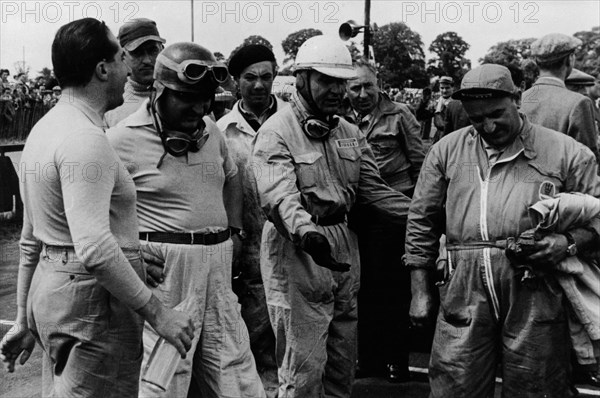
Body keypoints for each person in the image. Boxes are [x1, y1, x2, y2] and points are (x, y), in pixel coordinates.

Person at [0, 18, 194, 397]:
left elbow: (30, 239)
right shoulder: (86, 139)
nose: (128, 70)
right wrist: (158, 313)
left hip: (53, 290)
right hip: (90, 304)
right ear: (103, 69)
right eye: (122, 58)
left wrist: (24, 317)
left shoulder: (45, 130)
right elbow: (94, 248)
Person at [405, 64, 600, 398]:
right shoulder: (446, 151)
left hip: (537, 289)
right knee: (455, 385)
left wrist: (566, 243)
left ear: (518, 97)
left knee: (537, 386)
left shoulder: (567, 153)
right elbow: (422, 221)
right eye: (477, 119)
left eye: (497, 114)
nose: (489, 126)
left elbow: (596, 219)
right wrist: (419, 290)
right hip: (462, 289)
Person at [252, 35, 411, 398]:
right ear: (302, 79)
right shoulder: (276, 132)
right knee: (303, 370)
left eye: (341, 82)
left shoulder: (350, 133)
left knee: (341, 369)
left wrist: (428, 215)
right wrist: (308, 234)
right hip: (298, 252)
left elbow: (375, 193)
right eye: (326, 81)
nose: (337, 91)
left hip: (343, 250)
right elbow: (279, 198)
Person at [106, 42, 265, 398]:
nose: (199, 107)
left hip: (218, 267)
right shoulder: (120, 139)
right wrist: (124, 247)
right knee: (163, 380)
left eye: (205, 98)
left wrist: (235, 232)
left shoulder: (212, 131)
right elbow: (88, 209)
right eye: (187, 98)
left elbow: (232, 177)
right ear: (159, 91)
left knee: (236, 374)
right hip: (167, 272)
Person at [345, 58, 425, 382]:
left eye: (368, 85)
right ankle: (369, 357)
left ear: (378, 82)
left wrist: (421, 213)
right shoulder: (340, 118)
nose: (363, 93)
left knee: (394, 289)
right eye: (355, 87)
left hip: (395, 212)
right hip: (359, 213)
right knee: (363, 290)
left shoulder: (399, 114)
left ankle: (397, 359)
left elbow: (421, 164)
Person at [216, 43, 286, 398]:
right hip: (243, 253)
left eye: (266, 77)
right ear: (234, 82)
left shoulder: (293, 122)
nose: (259, 85)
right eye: (249, 78)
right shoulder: (220, 131)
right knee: (246, 341)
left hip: (289, 251)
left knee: (287, 343)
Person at [521, 33, 599, 163]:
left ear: (536, 62)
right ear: (570, 59)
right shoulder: (578, 103)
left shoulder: (520, 100)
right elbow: (587, 160)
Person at [104, 18, 165, 127]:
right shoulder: (111, 104)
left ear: (162, 50)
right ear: (122, 56)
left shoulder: (176, 96)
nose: (147, 60)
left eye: (153, 51)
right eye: (137, 53)